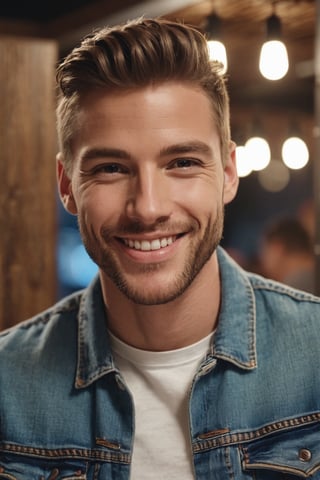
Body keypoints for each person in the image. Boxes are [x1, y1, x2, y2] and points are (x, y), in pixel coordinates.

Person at [1, 17, 320, 480]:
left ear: (229, 173)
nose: (147, 208)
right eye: (111, 167)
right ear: (67, 185)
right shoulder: (8, 388)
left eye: (182, 162)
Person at [260, 217, 315, 293]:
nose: (262, 259)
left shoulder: (296, 284)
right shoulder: (310, 275)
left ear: (277, 248)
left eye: (264, 250)